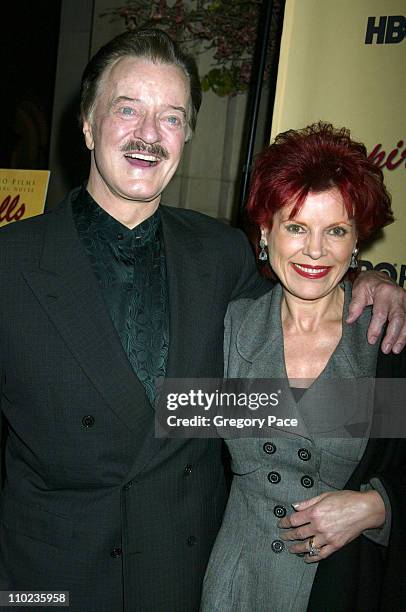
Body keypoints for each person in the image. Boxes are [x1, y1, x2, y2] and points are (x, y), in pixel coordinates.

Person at [0, 30, 404, 612]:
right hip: (49, 584)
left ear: (187, 136)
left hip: (185, 578)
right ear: (87, 124)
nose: (148, 134)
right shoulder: (10, 263)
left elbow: (286, 391)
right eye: (127, 109)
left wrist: (370, 280)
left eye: (170, 117)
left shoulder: (221, 256)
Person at [201, 122, 406, 612]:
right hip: (238, 581)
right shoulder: (228, 326)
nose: (316, 250)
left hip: (342, 586)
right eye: (296, 226)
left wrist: (378, 505)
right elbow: (176, 431)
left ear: (357, 242)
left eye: (335, 230)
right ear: (265, 232)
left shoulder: (386, 341)